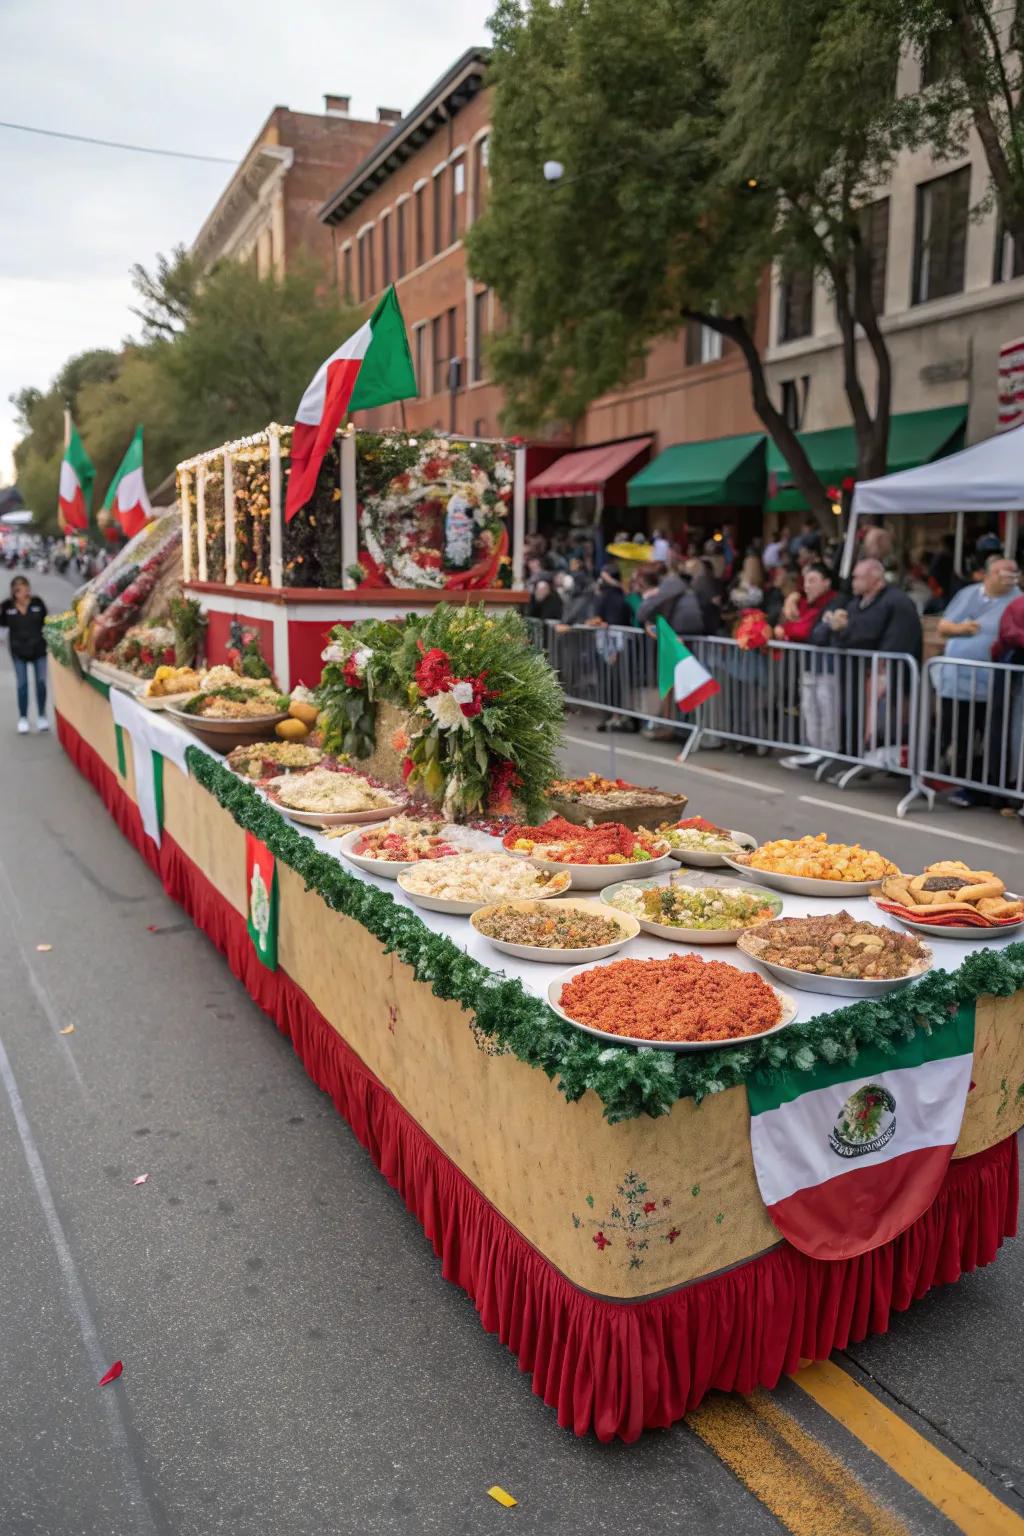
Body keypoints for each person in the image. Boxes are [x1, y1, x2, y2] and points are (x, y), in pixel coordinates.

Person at [935, 556, 1021, 807]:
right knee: (959, 736)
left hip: (992, 684)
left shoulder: (1017, 600)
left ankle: (991, 790)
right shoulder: (969, 594)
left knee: (991, 739)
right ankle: (965, 786)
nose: (1009, 578)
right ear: (988, 575)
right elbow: (943, 625)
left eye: (1013, 574)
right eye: (1003, 573)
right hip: (956, 682)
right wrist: (962, 629)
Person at [777, 564, 842, 770]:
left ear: (826, 582)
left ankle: (827, 751)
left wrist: (789, 630)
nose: (807, 586)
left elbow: (806, 632)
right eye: (805, 581)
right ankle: (815, 749)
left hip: (827, 667)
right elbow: (792, 627)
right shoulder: (803, 603)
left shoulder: (834, 601)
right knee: (809, 708)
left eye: (812, 580)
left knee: (826, 707)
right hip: (808, 665)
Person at [817, 558, 923, 659]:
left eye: (857, 577)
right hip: (856, 669)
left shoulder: (896, 602)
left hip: (885, 671)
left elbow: (872, 637)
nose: (852, 582)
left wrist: (845, 627)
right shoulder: (855, 603)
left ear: (875, 581)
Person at [0, 576, 49, 734]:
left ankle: (41, 716)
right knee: (22, 685)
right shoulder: (7, 607)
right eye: (21, 590)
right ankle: (23, 718)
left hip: (39, 650)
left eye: (27, 588)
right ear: (15, 592)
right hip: (18, 651)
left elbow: (47, 623)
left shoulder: (37, 603)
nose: (26, 592)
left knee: (41, 683)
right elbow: (2, 626)